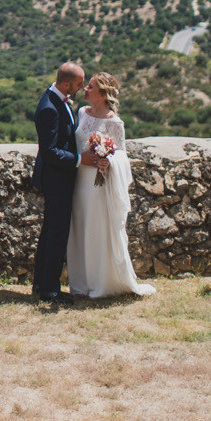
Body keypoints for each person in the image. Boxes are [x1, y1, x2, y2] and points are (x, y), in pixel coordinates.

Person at [67, 72, 156, 299]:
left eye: (91, 87)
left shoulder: (115, 122)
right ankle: (82, 283)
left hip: (99, 185)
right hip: (79, 181)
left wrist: (109, 161)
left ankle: (102, 282)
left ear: (103, 93)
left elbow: (122, 155)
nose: (85, 89)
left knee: (97, 230)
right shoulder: (81, 113)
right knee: (80, 228)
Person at [31, 61, 86, 303]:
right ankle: (50, 290)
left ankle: (40, 283)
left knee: (50, 232)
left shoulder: (58, 99)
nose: (82, 88)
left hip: (59, 178)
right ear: (66, 85)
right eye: (79, 84)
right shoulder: (49, 108)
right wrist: (81, 160)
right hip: (56, 180)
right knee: (56, 233)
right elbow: (50, 151)